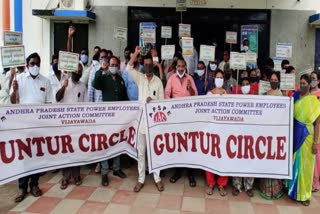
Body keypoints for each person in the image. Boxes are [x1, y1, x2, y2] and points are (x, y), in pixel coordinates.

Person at [11, 53, 53, 202]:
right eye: (32, 63)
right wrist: (15, 90)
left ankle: (34, 185)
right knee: (24, 157)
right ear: (27, 65)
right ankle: (22, 187)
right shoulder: (19, 79)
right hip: (23, 126)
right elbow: (12, 102)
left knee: (37, 156)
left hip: (39, 126)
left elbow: (49, 105)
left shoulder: (45, 81)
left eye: (37, 63)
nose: (34, 66)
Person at [126, 46, 165, 192]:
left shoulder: (158, 82)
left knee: (155, 152)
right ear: (143, 65)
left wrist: (153, 100)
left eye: (150, 64)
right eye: (146, 64)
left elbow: (162, 103)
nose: (148, 67)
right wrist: (135, 53)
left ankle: (157, 178)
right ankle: (141, 179)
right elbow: (128, 69)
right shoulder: (140, 78)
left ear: (153, 66)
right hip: (141, 123)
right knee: (141, 152)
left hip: (154, 123)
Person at [92, 56, 128, 186]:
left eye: (115, 65)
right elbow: (94, 84)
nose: (113, 67)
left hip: (119, 118)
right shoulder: (103, 77)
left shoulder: (120, 80)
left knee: (117, 142)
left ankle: (117, 169)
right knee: (106, 144)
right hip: (107, 118)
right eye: (111, 64)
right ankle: (104, 172)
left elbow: (124, 97)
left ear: (118, 66)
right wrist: (101, 70)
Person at [165, 57, 198, 187]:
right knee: (178, 143)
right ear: (175, 67)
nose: (180, 68)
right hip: (176, 117)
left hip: (188, 117)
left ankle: (191, 173)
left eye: (182, 66)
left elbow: (195, 96)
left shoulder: (190, 79)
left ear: (185, 67)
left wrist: (190, 89)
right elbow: (167, 94)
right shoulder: (171, 79)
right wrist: (172, 107)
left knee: (189, 144)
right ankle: (177, 171)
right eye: (178, 66)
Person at [288, 74, 320, 206]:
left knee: (306, 167)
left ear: (309, 84)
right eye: (300, 83)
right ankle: (294, 192)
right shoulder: (295, 97)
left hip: (308, 136)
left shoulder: (314, 101)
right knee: (294, 163)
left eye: (304, 83)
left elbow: (318, 123)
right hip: (295, 134)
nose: (302, 85)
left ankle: (305, 195)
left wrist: (315, 143)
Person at [56, 63, 88, 189]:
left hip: (78, 124)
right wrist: (64, 87)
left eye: (80, 71)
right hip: (65, 123)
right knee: (66, 151)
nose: (78, 73)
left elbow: (86, 105)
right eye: (76, 71)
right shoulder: (64, 82)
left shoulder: (82, 86)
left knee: (76, 150)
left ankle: (76, 175)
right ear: (71, 71)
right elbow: (57, 98)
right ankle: (65, 177)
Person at [259, 71, 284, 200]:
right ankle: (265, 188)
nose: (273, 81)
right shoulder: (264, 95)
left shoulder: (283, 97)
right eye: (272, 79)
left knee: (274, 158)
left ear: (278, 81)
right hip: (266, 132)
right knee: (266, 158)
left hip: (277, 133)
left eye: (275, 79)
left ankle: (275, 188)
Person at [206, 69, 228, 196]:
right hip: (211, 130)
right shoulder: (209, 94)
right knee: (210, 157)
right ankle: (211, 183)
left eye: (221, 77)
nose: (219, 79)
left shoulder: (227, 94)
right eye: (217, 77)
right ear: (214, 79)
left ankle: (221, 184)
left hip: (224, 131)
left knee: (223, 157)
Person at [231, 77, 255, 197]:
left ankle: (249, 186)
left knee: (249, 159)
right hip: (238, 134)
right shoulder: (236, 98)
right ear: (240, 87)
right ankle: (237, 185)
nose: (245, 86)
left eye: (247, 84)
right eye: (243, 84)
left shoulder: (255, 99)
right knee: (237, 159)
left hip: (250, 134)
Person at [311, 71, 320, 192]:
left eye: (313, 78)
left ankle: (315, 183)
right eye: (310, 78)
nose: (312, 80)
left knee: (316, 157)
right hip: (308, 128)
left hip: (317, 127)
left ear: (318, 81)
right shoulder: (308, 94)